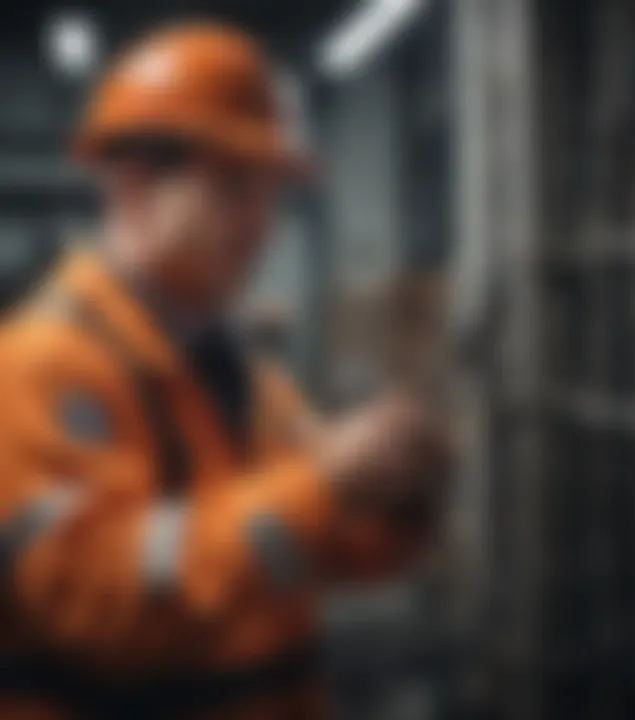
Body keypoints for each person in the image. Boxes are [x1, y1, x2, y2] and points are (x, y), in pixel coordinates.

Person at [0, 22, 452, 719]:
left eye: (270, 193)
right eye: (234, 187)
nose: (262, 222)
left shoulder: (244, 376)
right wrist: (323, 485)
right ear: (132, 186)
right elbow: (88, 603)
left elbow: (318, 546)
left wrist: (397, 499)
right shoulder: (36, 367)